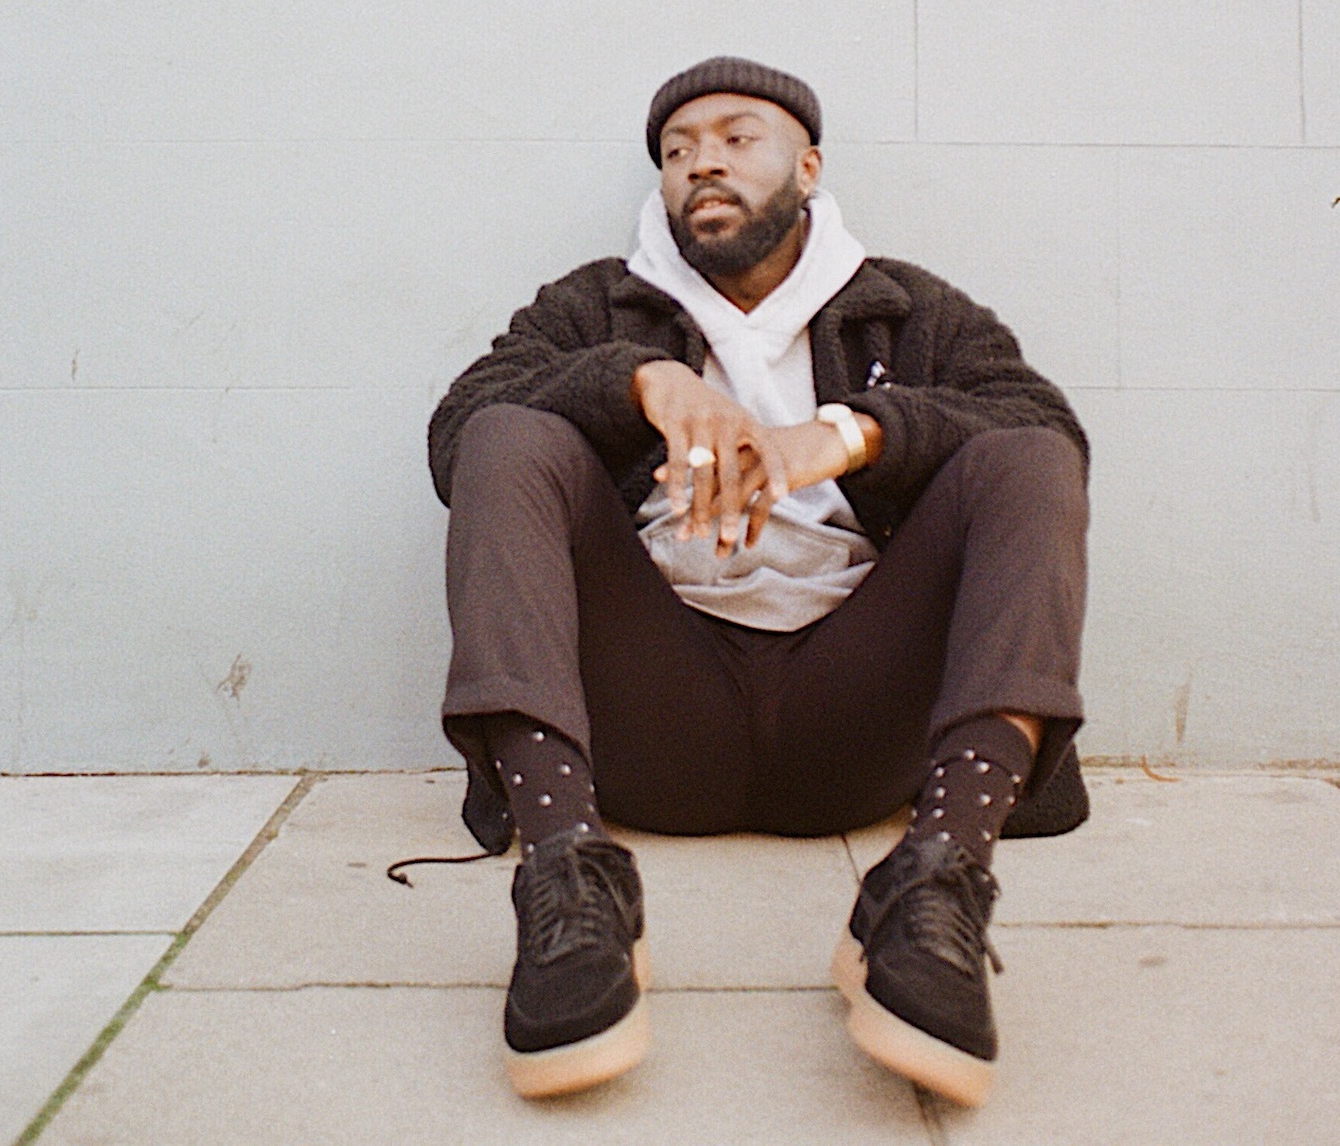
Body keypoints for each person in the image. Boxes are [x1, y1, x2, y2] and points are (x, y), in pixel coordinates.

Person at [425, 56, 1090, 1106]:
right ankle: (569, 879)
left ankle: (935, 882)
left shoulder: (909, 309)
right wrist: (640, 380)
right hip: (652, 712)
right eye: (678, 149)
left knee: (1031, 457)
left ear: (808, 167)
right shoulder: (596, 303)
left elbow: (1046, 427)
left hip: (856, 716)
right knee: (506, 435)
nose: (704, 163)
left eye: (737, 138)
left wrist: (852, 434)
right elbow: (458, 431)